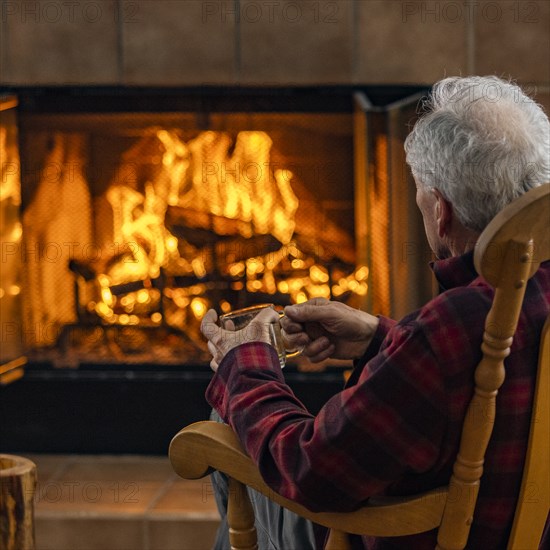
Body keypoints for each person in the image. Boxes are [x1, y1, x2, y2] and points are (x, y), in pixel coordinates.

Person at [200, 76, 550, 549]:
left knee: (229, 425)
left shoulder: (456, 321)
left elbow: (310, 471)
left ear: (441, 211)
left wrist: (244, 363)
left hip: (408, 535)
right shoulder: (503, 308)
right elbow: (479, 370)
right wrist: (383, 338)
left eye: (421, 194)